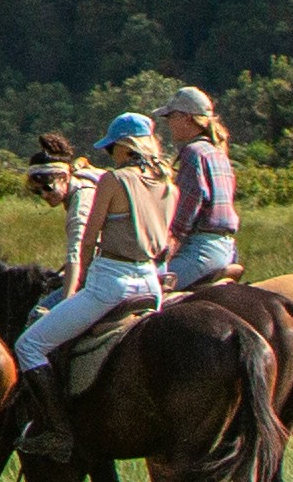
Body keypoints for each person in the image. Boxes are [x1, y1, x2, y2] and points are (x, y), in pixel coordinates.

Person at [14, 110, 181, 452]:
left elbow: (87, 241)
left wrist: (70, 290)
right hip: (151, 283)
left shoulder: (113, 181)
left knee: (28, 346)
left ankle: (59, 432)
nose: (110, 155)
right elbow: (166, 244)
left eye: (112, 149)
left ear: (125, 147)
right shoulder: (168, 186)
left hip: (110, 284)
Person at [157, 87, 244, 290]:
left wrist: (166, 252)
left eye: (171, 116)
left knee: (146, 288)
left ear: (186, 117)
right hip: (227, 248)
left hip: (200, 250)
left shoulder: (193, 153)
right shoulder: (218, 153)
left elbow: (185, 215)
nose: (168, 123)